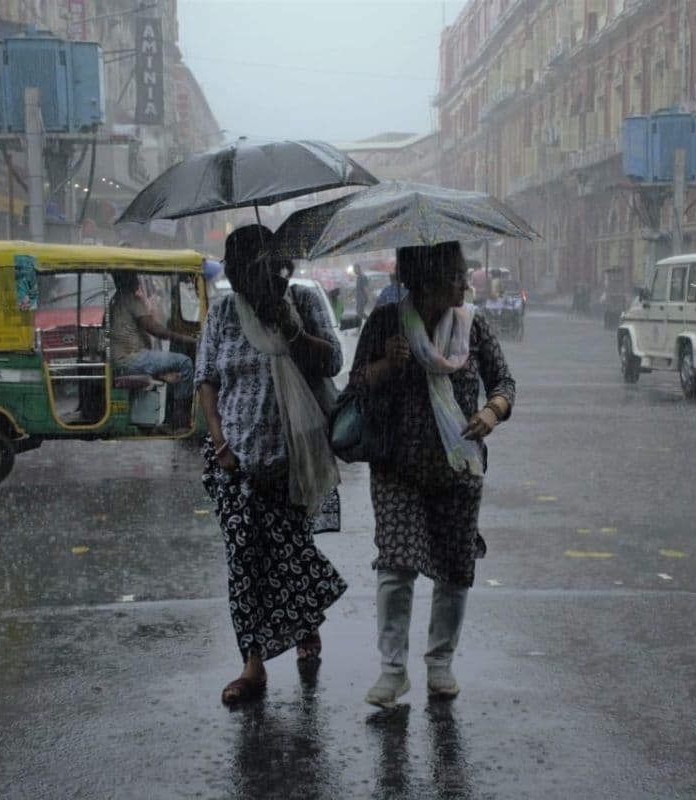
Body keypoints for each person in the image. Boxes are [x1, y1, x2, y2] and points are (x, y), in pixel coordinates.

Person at [348, 241, 515, 707]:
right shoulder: (386, 322)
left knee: (455, 567)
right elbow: (356, 384)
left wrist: (491, 412)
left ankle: (440, 663)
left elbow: (505, 382)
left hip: (458, 467)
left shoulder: (472, 325)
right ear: (427, 277)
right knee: (396, 565)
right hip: (397, 465)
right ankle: (393, 671)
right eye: (457, 274)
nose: (466, 282)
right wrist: (387, 365)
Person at [195, 224, 349, 705]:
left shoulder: (302, 301)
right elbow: (207, 378)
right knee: (244, 562)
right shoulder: (223, 312)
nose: (249, 281)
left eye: (260, 269)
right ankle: (253, 665)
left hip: (293, 458)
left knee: (291, 554)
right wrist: (220, 443)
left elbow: (331, 362)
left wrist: (288, 326)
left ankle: (305, 622)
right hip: (235, 461)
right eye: (241, 272)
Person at [108, 271, 198, 429]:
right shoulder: (131, 299)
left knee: (172, 368)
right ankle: (180, 418)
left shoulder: (116, 299)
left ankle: (170, 398)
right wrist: (184, 338)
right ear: (128, 279)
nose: (137, 280)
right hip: (133, 358)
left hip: (126, 359)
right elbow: (155, 330)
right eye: (134, 276)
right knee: (185, 362)